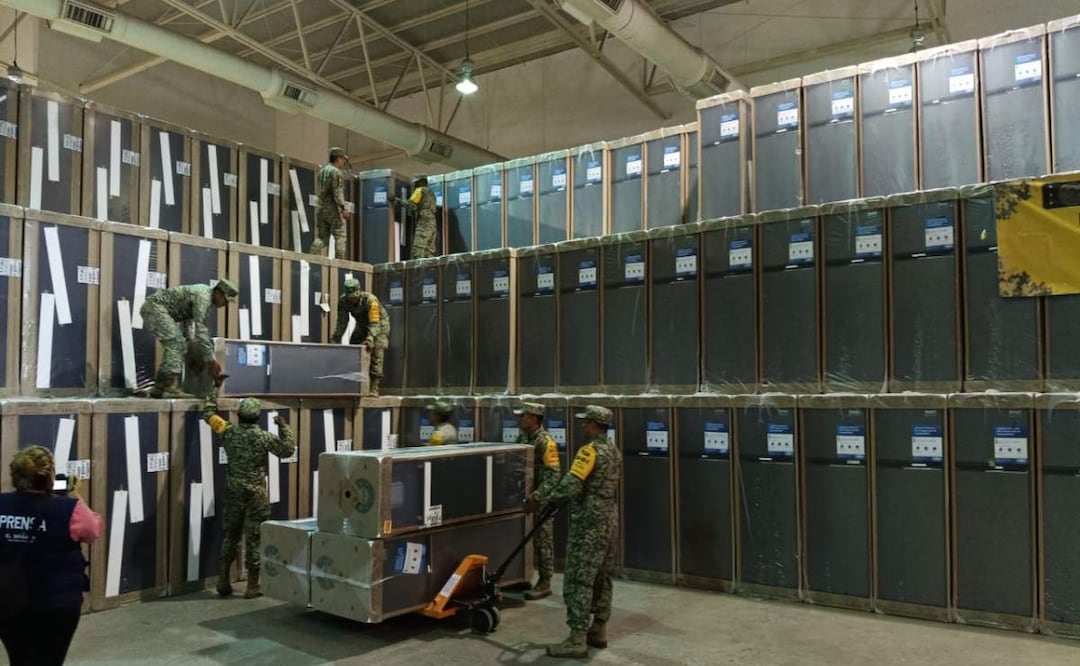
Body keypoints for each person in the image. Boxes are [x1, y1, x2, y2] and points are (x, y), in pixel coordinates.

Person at [527, 405, 621, 659]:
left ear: (594, 425)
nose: (582, 426)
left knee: (579, 579)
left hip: (589, 524)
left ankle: (576, 639)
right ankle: (598, 628)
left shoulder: (588, 451)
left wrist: (549, 500)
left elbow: (571, 484)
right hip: (610, 520)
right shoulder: (614, 451)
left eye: (585, 422)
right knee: (603, 576)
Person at [0, 446, 104, 666]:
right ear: (48, 476)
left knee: (20, 659)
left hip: (8, 600)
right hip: (57, 602)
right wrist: (75, 495)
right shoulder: (70, 508)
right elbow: (93, 530)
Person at [203, 377, 295, 599]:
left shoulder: (227, 431)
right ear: (257, 417)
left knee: (230, 535)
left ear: (239, 415)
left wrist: (213, 387)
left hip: (233, 491)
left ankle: (224, 581)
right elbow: (287, 450)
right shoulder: (263, 437)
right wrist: (284, 427)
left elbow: (208, 415)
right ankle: (252, 585)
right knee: (254, 537)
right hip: (255, 494)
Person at [140, 278, 237, 398]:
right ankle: (162, 387)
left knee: (182, 344)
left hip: (159, 310)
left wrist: (193, 347)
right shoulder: (203, 297)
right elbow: (201, 330)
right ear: (218, 292)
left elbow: (189, 323)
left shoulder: (204, 296)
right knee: (176, 344)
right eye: (226, 300)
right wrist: (210, 360)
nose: (225, 305)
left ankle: (165, 386)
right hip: (154, 308)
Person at [516, 401, 562, 601]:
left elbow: (553, 476)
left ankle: (545, 583)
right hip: (524, 498)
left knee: (543, 542)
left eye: (524, 416)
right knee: (523, 540)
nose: (520, 419)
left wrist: (536, 496)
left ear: (534, 419)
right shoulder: (523, 437)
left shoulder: (546, 441)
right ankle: (523, 576)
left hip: (540, 501)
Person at [333, 277, 390, 397]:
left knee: (376, 350)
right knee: (354, 346)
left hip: (379, 326)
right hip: (362, 325)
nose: (352, 300)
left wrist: (370, 338)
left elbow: (375, 322)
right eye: (350, 298)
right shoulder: (343, 301)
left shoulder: (371, 300)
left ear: (359, 292)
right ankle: (354, 383)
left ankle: (374, 387)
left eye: (354, 297)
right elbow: (342, 322)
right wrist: (336, 338)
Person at [309, 147, 352, 259]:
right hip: (333, 210)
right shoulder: (336, 172)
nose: (344, 163)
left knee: (322, 237)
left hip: (321, 209)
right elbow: (337, 193)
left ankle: (312, 258)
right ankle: (339, 264)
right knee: (340, 235)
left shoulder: (322, 171)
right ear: (338, 159)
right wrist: (343, 208)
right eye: (343, 160)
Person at [389, 176, 438, 259]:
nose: (415, 184)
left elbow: (411, 204)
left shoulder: (420, 190)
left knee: (418, 248)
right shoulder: (432, 194)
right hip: (432, 222)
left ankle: (419, 270)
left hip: (424, 221)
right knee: (428, 251)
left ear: (421, 182)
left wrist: (396, 200)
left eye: (416, 182)